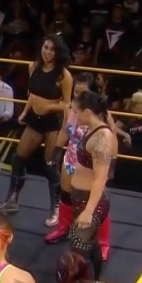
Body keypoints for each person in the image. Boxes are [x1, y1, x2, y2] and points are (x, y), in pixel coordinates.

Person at [0, 35, 72, 228]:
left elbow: (68, 105)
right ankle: (12, 200)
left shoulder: (63, 75)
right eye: (46, 48)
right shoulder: (33, 67)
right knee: (18, 158)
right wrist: (26, 112)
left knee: (50, 166)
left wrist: (50, 108)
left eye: (52, 49)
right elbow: (33, 94)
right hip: (35, 121)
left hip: (53, 123)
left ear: (58, 52)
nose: (48, 52)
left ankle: (56, 209)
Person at [45, 76, 113, 262]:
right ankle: (65, 228)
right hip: (73, 162)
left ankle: (103, 243)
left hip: (90, 176)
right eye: (76, 91)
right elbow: (65, 131)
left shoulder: (100, 128)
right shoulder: (79, 115)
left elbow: (110, 143)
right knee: (67, 195)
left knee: (80, 248)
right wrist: (57, 150)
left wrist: (111, 164)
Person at [68, 91, 117, 279]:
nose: (75, 116)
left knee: (78, 247)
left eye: (77, 112)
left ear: (87, 112)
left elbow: (100, 178)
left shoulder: (101, 138)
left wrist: (88, 211)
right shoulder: (91, 129)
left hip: (92, 201)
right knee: (91, 243)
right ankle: (96, 282)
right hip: (80, 197)